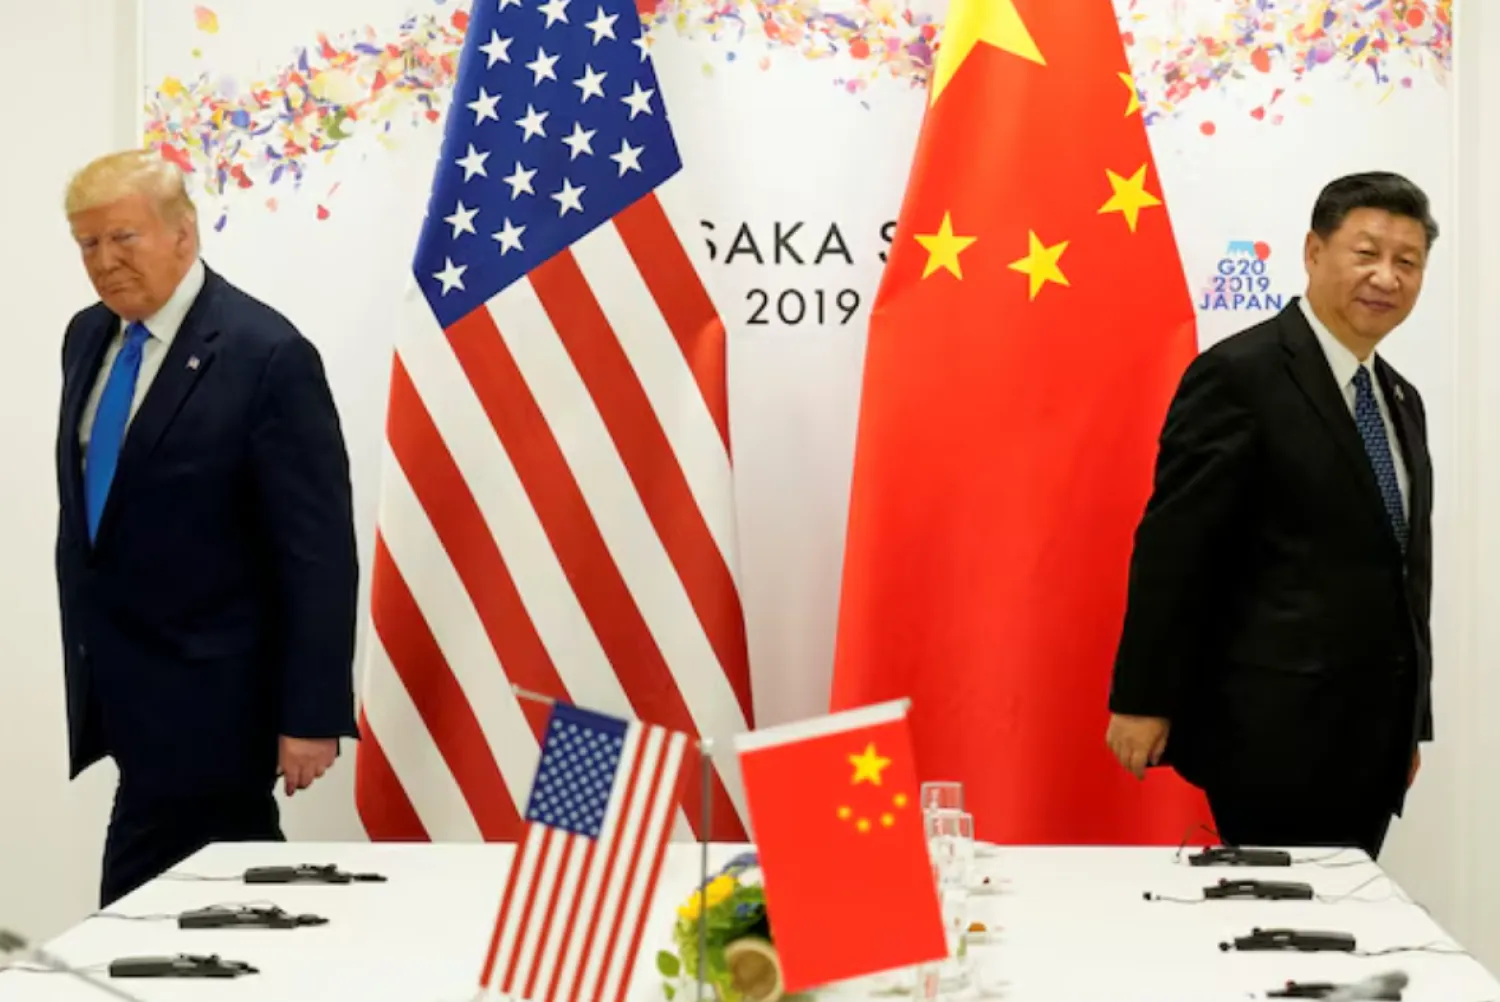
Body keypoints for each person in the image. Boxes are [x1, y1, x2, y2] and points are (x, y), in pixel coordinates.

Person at [54, 149, 360, 905]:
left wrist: (311, 714)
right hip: (125, 688)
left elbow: (318, 552)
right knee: (214, 907)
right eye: (88, 243)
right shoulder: (87, 337)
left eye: (123, 237)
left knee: (146, 912)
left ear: (183, 233)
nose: (104, 261)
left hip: (219, 696)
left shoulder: (266, 354)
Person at [1105, 171, 1436, 859]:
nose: (1387, 277)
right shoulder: (1240, 376)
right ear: (1314, 252)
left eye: (1407, 261)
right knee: (1284, 916)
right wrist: (1143, 698)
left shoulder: (1400, 398)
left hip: (1373, 740)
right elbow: (1175, 550)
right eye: (1366, 253)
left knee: (1347, 913)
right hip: (1270, 732)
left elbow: (1406, 572)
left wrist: (1411, 723)